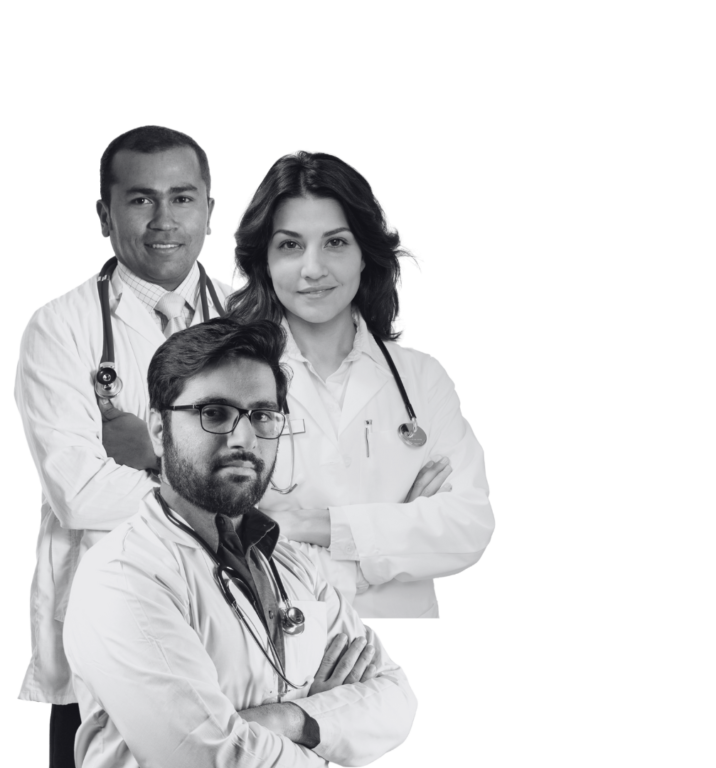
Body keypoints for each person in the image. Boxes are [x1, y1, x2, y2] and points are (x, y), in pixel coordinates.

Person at [62, 318, 418, 767]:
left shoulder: (292, 564)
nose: (244, 438)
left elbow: (396, 700)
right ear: (158, 430)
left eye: (262, 416)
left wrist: (293, 720)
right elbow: (208, 761)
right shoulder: (123, 577)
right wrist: (331, 737)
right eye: (214, 413)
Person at [14, 124, 234, 767]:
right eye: (141, 199)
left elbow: (291, 480)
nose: (164, 220)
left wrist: (152, 461)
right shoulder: (60, 327)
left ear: (209, 208)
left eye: (182, 198)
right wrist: (220, 488)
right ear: (104, 215)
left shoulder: (254, 320)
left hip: (235, 624)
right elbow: (83, 495)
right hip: (106, 626)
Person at [227, 150, 495, 620]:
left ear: (364, 254)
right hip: (279, 639)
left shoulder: (421, 376)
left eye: (335, 242)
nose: (313, 269)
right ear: (264, 260)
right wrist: (389, 536)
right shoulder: (228, 381)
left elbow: (469, 527)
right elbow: (224, 539)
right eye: (290, 245)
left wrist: (313, 524)